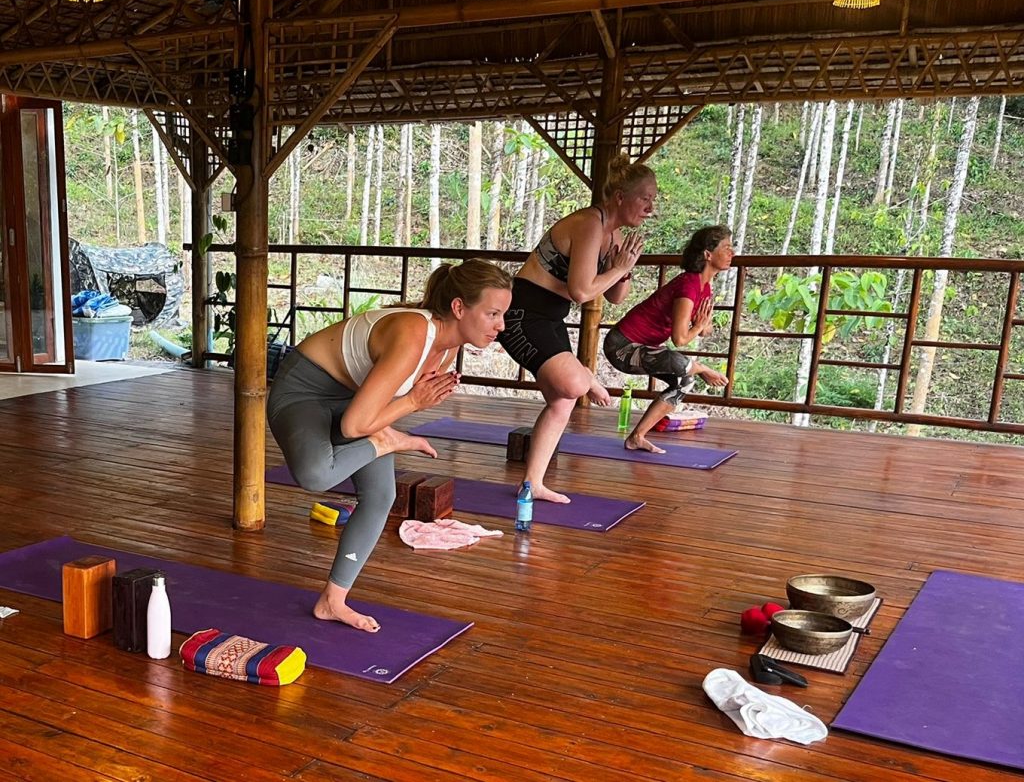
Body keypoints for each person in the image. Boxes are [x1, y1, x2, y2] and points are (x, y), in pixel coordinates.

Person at [267, 259, 513, 633]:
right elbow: (355, 425)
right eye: (493, 313)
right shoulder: (414, 333)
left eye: (503, 315)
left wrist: (404, 410)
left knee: (380, 495)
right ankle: (384, 442)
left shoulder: (449, 347)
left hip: (358, 401)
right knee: (316, 474)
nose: (501, 326)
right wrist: (409, 410)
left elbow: (376, 404)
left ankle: (333, 601)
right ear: (459, 308)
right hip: (306, 392)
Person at [497, 154, 653, 504]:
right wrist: (616, 269)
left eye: (653, 200)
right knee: (575, 384)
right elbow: (583, 291)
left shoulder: (611, 237)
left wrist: (623, 268)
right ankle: (587, 375)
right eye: (645, 198)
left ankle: (532, 483)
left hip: (550, 317)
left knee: (563, 400)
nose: (650, 207)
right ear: (619, 197)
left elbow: (614, 296)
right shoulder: (589, 223)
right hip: (523, 312)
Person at [603, 225, 733, 454]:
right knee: (682, 364)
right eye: (726, 247)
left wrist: (702, 324)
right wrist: (700, 345)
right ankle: (702, 368)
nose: (732, 253)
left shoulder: (704, 288)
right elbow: (681, 338)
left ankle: (637, 437)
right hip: (622, 347)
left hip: (644, 348)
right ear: (707, 254)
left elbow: (704, 330)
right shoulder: (689, 285)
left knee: (685, 381)